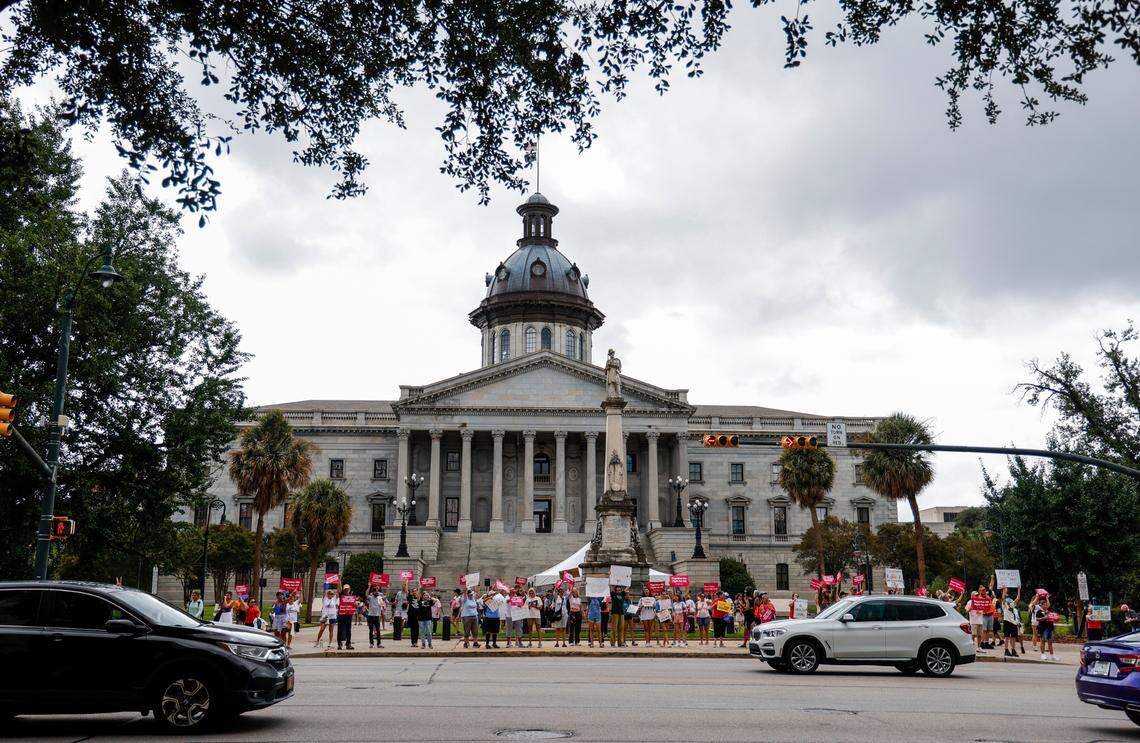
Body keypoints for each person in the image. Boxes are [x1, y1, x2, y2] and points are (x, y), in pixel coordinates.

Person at [1000, 587, 1021, 658]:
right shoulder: (1004, 605)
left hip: (1013, 622)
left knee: (1013, 637)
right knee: (1007, 636)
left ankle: (1013, 650)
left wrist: (1018, 589)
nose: (1009, 601)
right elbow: (1003, 598)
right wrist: (1004, 590)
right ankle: (1006, 650)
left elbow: (1018, 598)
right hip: (1007, 621)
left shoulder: (1012, 605)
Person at [336, 584, 356, 650]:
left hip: (348, 615)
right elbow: (339, 589)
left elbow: (353, 605)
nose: (346, 590)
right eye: (345, 589)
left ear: (349, 589)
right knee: (340, 630)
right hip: (341, 615)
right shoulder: (341, 596)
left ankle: (348, 644)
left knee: (348, 630)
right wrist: (339, 579)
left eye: (347, 589)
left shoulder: (351, 597)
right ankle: (339, 644)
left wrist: (355, 605)